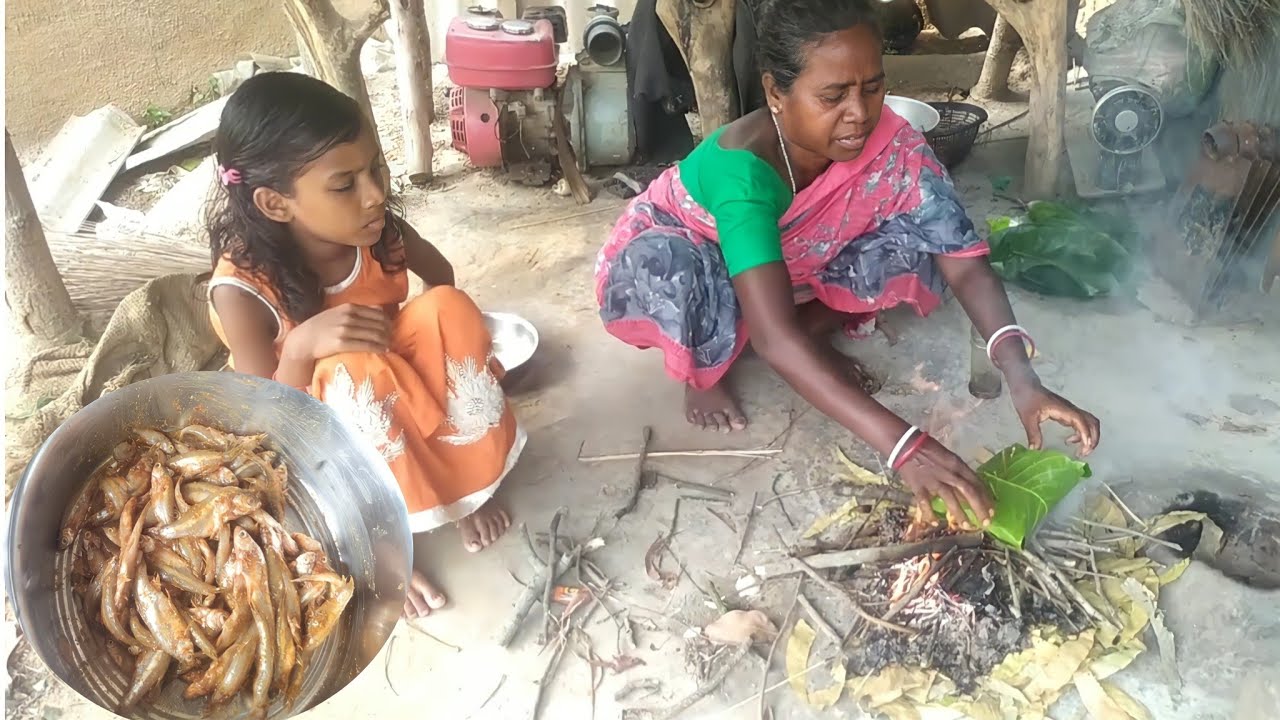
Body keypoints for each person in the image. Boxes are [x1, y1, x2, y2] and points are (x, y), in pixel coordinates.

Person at [595, 0, 1101, 526]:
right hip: (695, 250)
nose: (859, 113)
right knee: (690, 280)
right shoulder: (743, 172)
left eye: (873, 87)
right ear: (775, 92)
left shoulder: (894, 143)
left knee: (917, 243)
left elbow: (963, 260)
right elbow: (774, 339)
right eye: (833, 96)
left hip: (790, 251)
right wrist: (905, 445)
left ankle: (803, 333)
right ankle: (704, 370)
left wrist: (1021, 376)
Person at [205, 72, 524, 618]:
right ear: (275, 203)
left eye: (374, 168)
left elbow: (440, 279)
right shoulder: (243, 292)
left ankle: (458, 491)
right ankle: (378, 542)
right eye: (344, 183)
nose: (375, 193)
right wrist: (302, 347)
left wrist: (439, 356)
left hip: (390, 381)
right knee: (356, 369)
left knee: (446, 307)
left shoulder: (377, 231)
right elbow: (264, 419)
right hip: (316, 429)